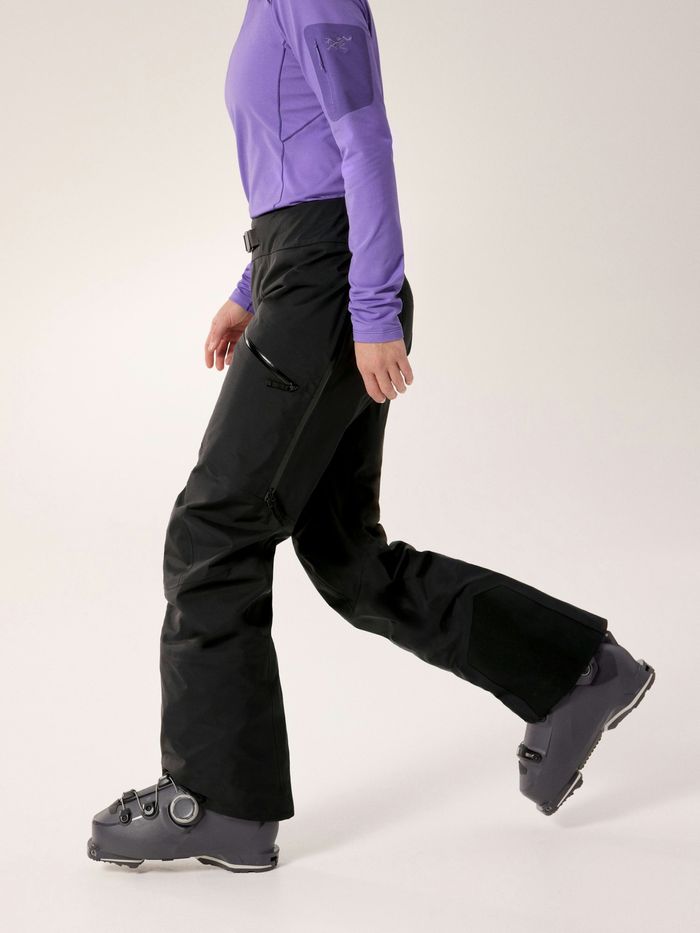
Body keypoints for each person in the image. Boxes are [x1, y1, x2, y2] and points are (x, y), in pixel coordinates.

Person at [87, 0, 655, 873]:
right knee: (346, 553)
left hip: (329, 285)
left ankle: (220, 803)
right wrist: (250, 286)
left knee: (214, 527)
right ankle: (577, 672)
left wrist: (374, 307)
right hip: (303, 273)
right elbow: (306, 160)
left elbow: (366, 142)